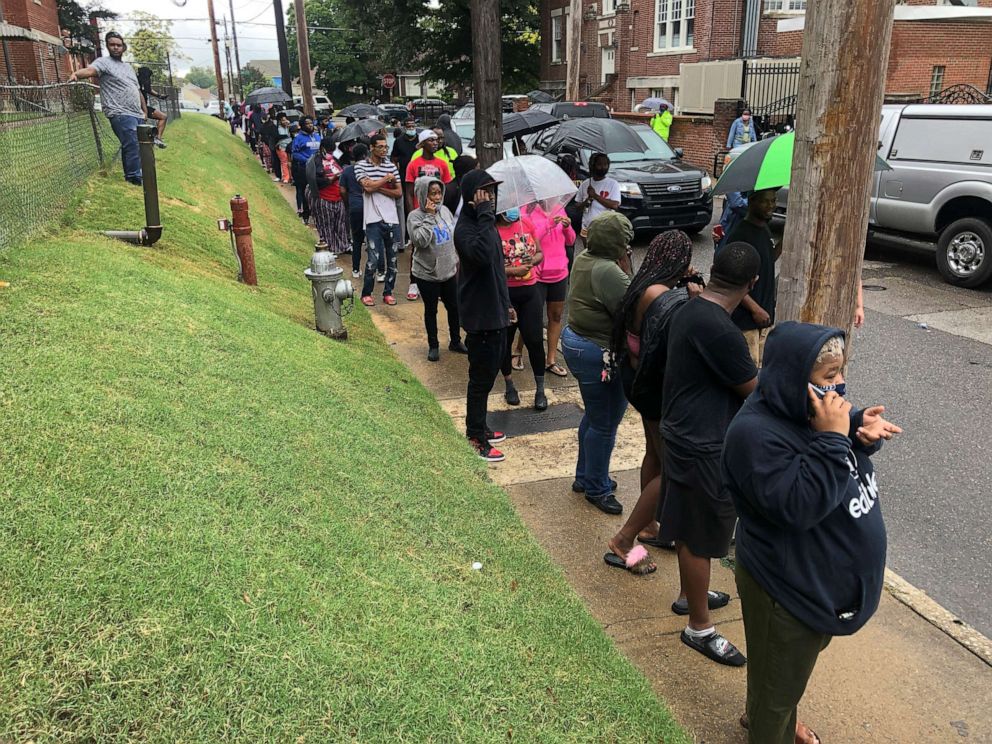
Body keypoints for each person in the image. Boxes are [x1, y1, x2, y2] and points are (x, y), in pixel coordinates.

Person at [724, 324, 901, 744]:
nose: (839, 386)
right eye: (828, 376)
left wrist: (857, 429)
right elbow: (801, 504)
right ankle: (772, 727)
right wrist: (836, 439)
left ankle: (776, 712)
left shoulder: (807, 410)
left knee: (781, 673)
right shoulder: (752, 436)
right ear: (792, 377)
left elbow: (824, 454)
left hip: (817, 585)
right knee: (777, 687)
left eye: (841, 372)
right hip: (785, 591)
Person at [658, 242, 761, 667]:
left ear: (713, 270)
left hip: (680, 432)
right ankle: (699, 628)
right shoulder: (721, 331)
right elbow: (754, 390)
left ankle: (690, 595)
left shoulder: (691, 309)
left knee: (686, 527)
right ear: (752, 283)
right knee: (702, 538)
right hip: (704, 443)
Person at [605, 231, 703, 573]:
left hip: (638, 383)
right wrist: (694, 301)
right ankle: (625, 538)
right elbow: (682, 333)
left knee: (655, 455)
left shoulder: (643, 285)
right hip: (656, 391)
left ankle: (648, 526)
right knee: (674, 468)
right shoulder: (661, 295)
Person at [560, 211, 633, 515]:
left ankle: (585, 476)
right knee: (605, 423)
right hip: (597, 351)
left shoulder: (584, 258)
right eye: (625, 241)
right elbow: (632, 307)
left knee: (593, 416)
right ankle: (597, 487)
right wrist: (626, 265)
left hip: (576, 342)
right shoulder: (608, 271)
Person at [454, 169, 511, 463]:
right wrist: (486, 217)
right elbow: (483, 256)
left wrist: (506, 304)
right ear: (472, 196)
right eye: (485, 192)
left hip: (496, 312)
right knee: (480, 380)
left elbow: (497, 271)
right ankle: (475, 435)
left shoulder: (485, 225)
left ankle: (482, 426)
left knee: (488, 379)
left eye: (493, 192)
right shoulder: (466, 228)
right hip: (481, 318)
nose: (491, 197)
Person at [69, 32, 145, 185]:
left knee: (133, 144)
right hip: (119, 112)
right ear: (107, 46)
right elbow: (90, 71)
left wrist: (144, 110)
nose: (116, 47)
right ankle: (134, 177)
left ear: (123, 47)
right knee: (132, 142)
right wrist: (77, 74)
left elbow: (136, 90)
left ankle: (132, 174)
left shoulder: (128, 67)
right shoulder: (103, 62)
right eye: (112, 45)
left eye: (119, 45)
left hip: (136, 113)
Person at [407, 176, 467, 361]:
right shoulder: (414, 216)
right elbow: (420, 241)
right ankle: (433, 345)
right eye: (432, 193)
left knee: (454, 307)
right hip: (427, 273)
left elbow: (452, 236)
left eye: (439, 192)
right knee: (431, 310)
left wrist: (456, 259)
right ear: (423, 194)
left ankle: (455, 341)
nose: (437, 197)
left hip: (448, 270)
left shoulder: (446, 211)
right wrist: (429, 217)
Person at [497, 208, 546, 410]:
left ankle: (540, 388)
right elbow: (491, 266)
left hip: (530, 290)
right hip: (506, 294)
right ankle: (509, 384)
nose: (513, 211)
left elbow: (540, 253)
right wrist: (512, 271)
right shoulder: (493, 231)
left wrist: (532, 260)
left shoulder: (525, 224)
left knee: (534, 340)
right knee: (505, 341)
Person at [725, 187, 780, 366]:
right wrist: (755, 309)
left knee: (765, 371)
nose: (771, 205)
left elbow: (768, 259)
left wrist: (786, 240)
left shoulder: (763, 229)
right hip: (746, 322)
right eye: (766, 201)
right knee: (749, 375)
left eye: (773, 200)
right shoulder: (741, 235)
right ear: (752, 201)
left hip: (765, 318)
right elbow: (732, 282)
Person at [405, 130, 454, 301]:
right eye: (431, 140)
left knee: (440, 245)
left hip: (438, 214)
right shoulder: (413, 164)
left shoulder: (442, 164)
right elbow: (409, 191)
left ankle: (442, 279)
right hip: (421, 213)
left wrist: (442, 211)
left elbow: (446, 189)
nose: (435, 143)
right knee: (418, 248)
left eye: (436, 140)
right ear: (423, 143)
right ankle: (414, 282)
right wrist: (412, 212)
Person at [356, 133, 403, 306]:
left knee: (392, 259)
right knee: (373, 259)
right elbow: (366, 188)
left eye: (386, 147)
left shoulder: (391, 166)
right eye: (380, 146)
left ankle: (388, 292)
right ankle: (366, 292)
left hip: (390, 217)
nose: (384, 150)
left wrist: (378, 187)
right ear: (371, 148)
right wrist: (385, 180)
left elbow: (398, 193)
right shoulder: (361, 166)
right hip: (372, 218)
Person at [308, 138, 349, 253]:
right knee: (326, 225)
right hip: (324, 198)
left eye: (333, 150)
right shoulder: (315, 160)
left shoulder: (335, 158)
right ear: (322, 148)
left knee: (340, 224)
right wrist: (332, 179)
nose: (331, 152)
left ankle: (343, 246)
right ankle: (329, 248)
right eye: (329, 150)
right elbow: (316, 181)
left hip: (338, 197)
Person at [340, 143, 375, 279]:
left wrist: (348, 203)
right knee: (373, 239)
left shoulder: (348, 171)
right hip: (370, 207)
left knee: (356, 239)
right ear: (366, 155)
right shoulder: (372, 169)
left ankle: (355, 269)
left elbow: (342, 190)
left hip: (355, 207)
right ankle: (375, 269)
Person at [574, 153, 620, 253]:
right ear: (592, 166)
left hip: (606, 228)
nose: (603, 167)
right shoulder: (585, 184)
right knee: (589, 256)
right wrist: (586, 202)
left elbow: (614, 205)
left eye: (605, 164)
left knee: (605, 255)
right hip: (587, 228)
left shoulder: (613, 184)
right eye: (599, 164)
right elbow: (577, 207)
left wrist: (595, 196)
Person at [291, 117, 321, 222]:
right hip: (304, 168)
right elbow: (295, 153)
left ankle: (317, 212)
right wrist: (307, 160)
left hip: (317, 168)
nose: (310, 125)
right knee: (305, 191)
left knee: (317, 190)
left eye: (311, 123)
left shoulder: (317, 136)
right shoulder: (298, 138)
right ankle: (306, 214)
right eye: (307, 123)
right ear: (302, 125)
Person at [135, 67, 167, 149]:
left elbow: (149, 90)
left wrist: (159, 95)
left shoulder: (145, 82)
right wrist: (144, 112)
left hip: (145, 107)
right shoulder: (135, 82)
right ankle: (143, 146)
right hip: (137, 109)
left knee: (163, 117)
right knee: (142, 129)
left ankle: (158, 139)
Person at [275, 113, 293, 184]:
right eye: (283, 120)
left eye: (286, 120)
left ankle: (290, 176)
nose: (285, 121)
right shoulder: (278, 128)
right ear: (280, 121)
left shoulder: (288, 127)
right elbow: (279, 137)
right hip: (281, 147)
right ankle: (286, 177)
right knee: (284, 162)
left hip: (288, 146)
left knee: (289, 162)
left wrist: (289, 126)